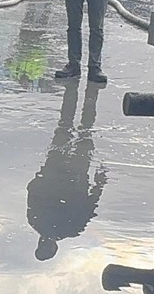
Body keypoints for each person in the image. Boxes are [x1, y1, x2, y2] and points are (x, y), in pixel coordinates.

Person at [27, 80, 107, 261]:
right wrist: (42, 175)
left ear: (54, 247)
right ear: (39, 243)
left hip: (77, 175)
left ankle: (91, 95)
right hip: (53, 171)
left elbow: (90, 204)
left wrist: (99, 183)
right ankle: (73, 92)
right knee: (64, 126)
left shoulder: (72, 229)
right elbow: (32, 190)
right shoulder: (34, 221)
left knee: (86, 132)